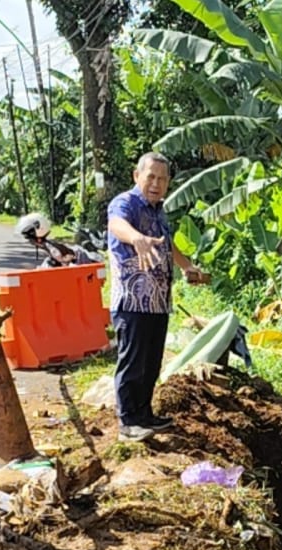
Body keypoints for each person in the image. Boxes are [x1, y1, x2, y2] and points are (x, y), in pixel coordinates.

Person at [106, 152, 209, 443]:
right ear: (136, 176)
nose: (156, 183)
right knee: (133, 361)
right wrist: (136, 238)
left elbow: (167, 244)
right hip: (132, 300)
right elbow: (116, 224)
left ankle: (144, 414)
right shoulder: (126, 203)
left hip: (158, 302)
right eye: (151, 176)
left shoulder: (158, 211)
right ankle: (128, 422)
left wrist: (186, 265)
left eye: (162, 179)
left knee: (151, 363)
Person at [15, 212, 99, 268]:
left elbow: (65, 262)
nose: (30, 241)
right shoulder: (48, 245)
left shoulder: (51, 248)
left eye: (30, 236)